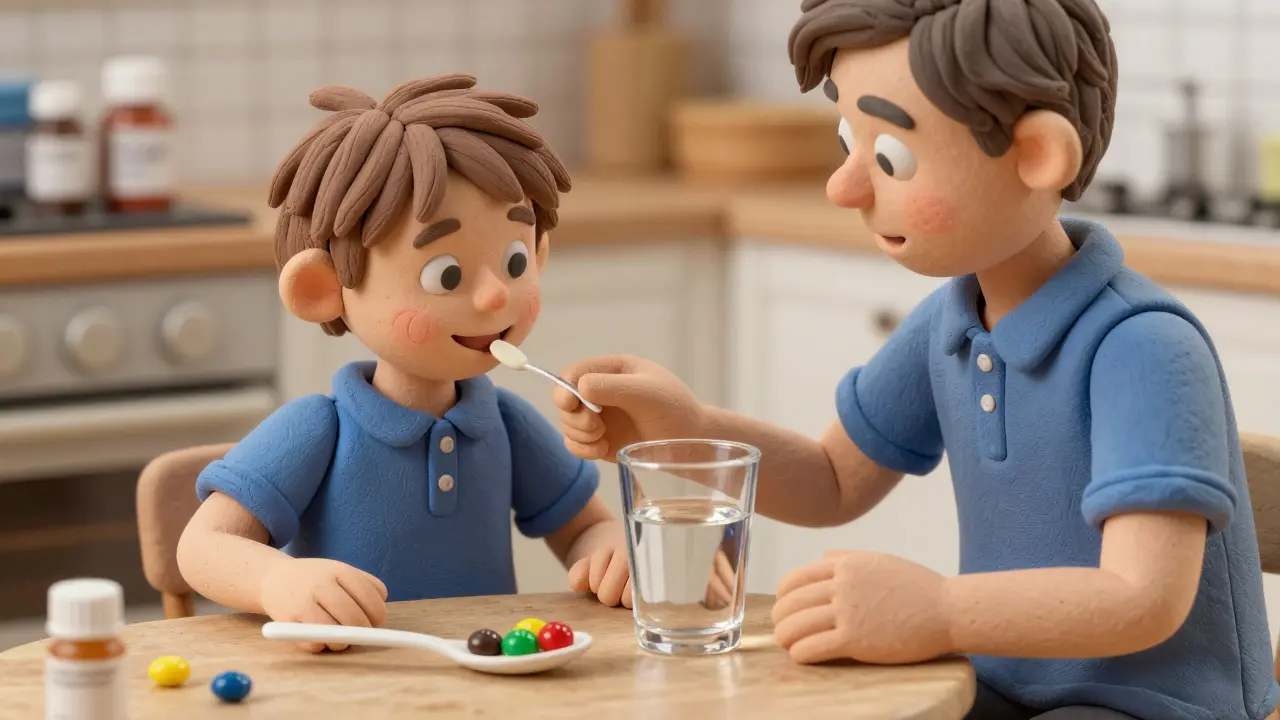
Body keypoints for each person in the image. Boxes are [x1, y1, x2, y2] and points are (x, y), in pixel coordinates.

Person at [550, 2, 1279, 718]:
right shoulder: (951, 324)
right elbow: (835, 480)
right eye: (848, 140)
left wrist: (939, 609)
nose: (845, 187)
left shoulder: (1141, 346)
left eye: (891, 156)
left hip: (1152, 704)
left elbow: (1142, 596)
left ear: (1036, 155)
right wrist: (688, 428)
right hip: (999, 686)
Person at [176, 75, 631, 653]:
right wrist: (277, 579)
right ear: (324, 288)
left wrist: (609, 550)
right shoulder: (320, 428)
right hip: (354, 684)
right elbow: (201, 548)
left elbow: (584, 526)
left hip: (489, 684)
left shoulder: (507, 423)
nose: (495, 297)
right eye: (445, 274)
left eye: (515, 261)